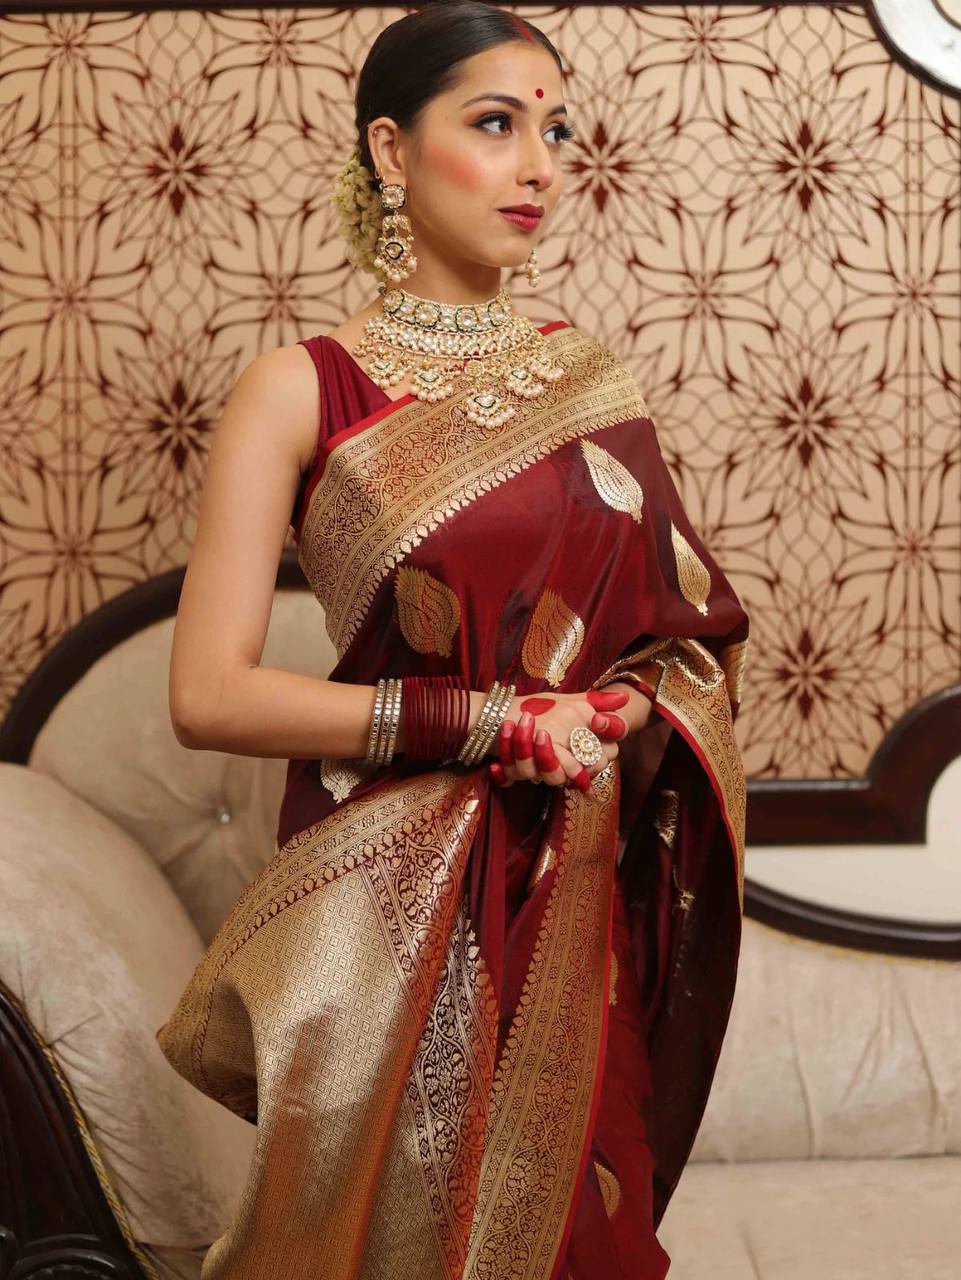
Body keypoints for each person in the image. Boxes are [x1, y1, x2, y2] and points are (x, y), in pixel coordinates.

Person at [155, 3, 750, 1277]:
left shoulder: (588, 377)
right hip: (385, 898)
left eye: (556, 130)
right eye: (494, 124)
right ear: (391, 149)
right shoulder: (303, 388)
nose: (539, 166)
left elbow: (676, 642)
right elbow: (207, 694)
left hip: (568, 894)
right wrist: (487, 720)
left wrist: (613, 713)